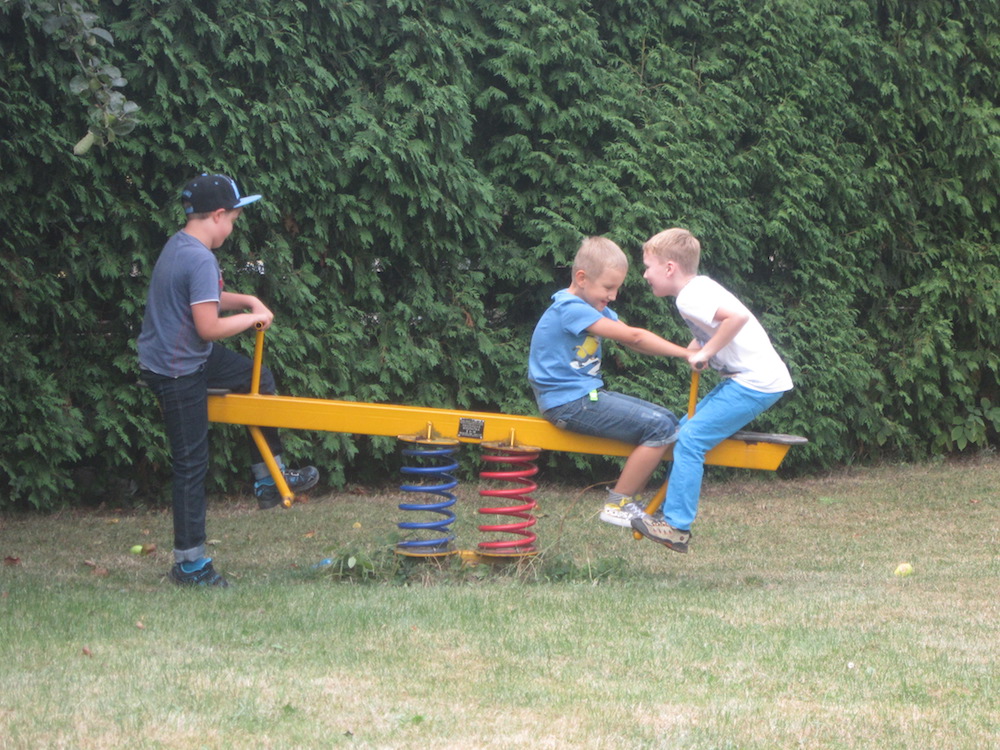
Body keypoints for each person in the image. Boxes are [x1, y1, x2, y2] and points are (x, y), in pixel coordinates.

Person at [137, 174, 320, 587]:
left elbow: (206, 298)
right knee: (191, 465)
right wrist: (252, 318)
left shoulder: (180, 245)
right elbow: (208, 326)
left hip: (181, 356)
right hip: (177, 368)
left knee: (256, 378)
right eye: (234, 220)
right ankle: (190, 566)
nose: (233, 228)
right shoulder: (200, 258)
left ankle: (269, 479)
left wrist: (248, 300)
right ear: (218, 215)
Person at [631, 227, 793, 552]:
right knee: (681, 432)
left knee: (690, 440)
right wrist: (698, 347)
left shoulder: (690, 296)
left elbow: (737, 318)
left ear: (669, 268)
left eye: (648, 267)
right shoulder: (698, 288)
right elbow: (714, 327)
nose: (645, 274)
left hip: (755, 382)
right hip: (744, 379)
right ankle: (669, 514)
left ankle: (676, 527)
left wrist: (706, 352)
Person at [528, 236, 690, 527]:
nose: (613, 296)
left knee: (667, 420)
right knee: (659, 426)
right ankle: (619, 503)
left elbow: (632, 340)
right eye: (608, 287)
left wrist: (685, 352)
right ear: (582, 278)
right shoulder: (570, 308)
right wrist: (687, 353)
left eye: (617, 288)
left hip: (584, 397)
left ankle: (637, 502)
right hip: (569, 404)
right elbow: (635, 337)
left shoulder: (594, 309)